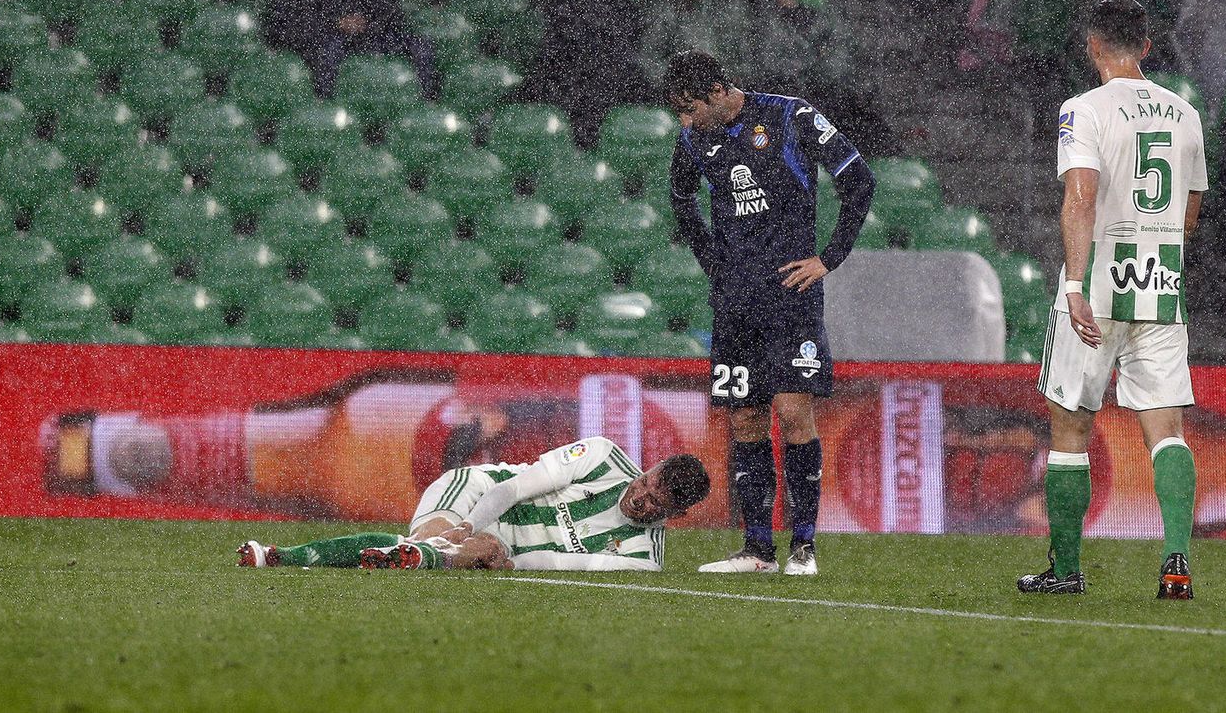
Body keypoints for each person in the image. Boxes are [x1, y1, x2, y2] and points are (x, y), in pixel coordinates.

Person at [1019, 0, 1207, 599]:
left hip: (1099, 278)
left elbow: (1079, 198)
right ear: (1147, 48)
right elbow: (1191, 208)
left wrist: (1074, 284)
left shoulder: (1083, 109)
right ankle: (1175, 562)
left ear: (1093, 47)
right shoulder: (1185, 114)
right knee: (1166, 428)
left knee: (1071, 428)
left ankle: (1067, 569)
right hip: (1160, 279)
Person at [663, 50, 875, 576]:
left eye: (690, 109)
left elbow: (858, 180)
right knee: (745, 417)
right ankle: (757, 550)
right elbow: (681, 199)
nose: (684, 123)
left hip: (789, 296)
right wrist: (714, 263)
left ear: (716, 92)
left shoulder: (790, 117)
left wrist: (829, 258)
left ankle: (803, 548)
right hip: (736, 303)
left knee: (793, 412)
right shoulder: (694, 140)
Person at [238, 438, 710, 572]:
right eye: (645, 483)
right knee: (440, 541)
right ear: (648, 469)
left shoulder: (642, 558)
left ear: (674, 515)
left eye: (654, 504)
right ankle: (291, 556)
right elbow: (513, 490)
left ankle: (275, 556)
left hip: (497, 544)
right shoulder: (604, 455)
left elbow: (555, 561)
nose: (639, 498)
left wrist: (499, 555)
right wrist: (467, 526)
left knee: (466, 551)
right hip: (476, 494)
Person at [265, 0, 437, 100]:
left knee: (421, 46)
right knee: (328, 54)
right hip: (331, 37)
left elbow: (392, 13)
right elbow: (296, 19)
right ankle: (328, 105)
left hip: (372, 35)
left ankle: (426, 103)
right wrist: (337, 23)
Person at [526, 0, 651, 149]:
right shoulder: (569, 7)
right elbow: (554, 60)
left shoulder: (626, 8)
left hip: (612, 95)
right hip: (579, 99)